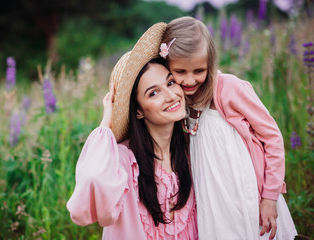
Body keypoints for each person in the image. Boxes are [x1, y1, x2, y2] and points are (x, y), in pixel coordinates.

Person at [160, 16, 297, 240]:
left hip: (248, 193)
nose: (190, 80)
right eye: (180, 71)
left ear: (210, 64)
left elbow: (272, 137)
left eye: (199, 70)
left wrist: (270, 197)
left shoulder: (229, 89)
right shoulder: (178, 101)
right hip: (212, 198)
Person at [66, 23, 198, 240]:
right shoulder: (125, 162)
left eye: (171, 82)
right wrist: (106, 125)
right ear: (138, 112)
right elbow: (90, 188)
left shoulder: (190, 149)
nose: (171, 95)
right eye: (154, 93)